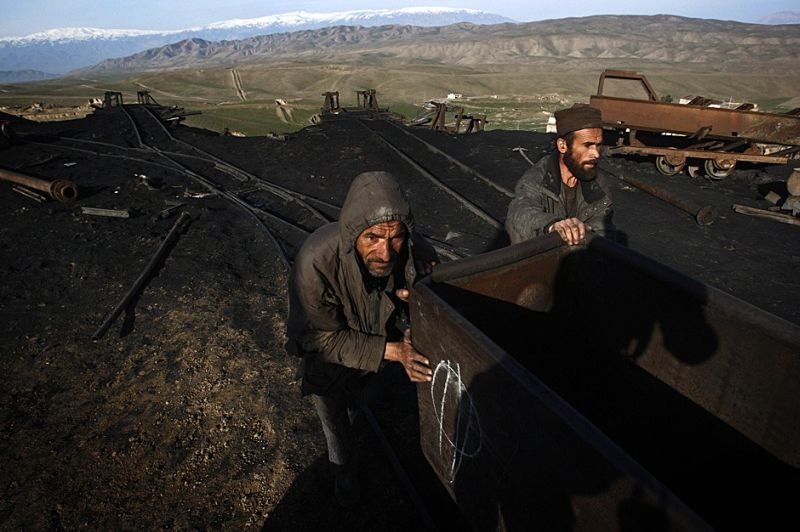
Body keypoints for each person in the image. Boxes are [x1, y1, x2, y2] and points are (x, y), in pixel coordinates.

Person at [285, 170, 437, 507]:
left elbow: (419, 267)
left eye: (395, 238)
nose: (385, 252)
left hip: (371, 351)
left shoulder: (408, 248)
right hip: (328, 360)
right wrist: (395, 351)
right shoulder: (315, 264)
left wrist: (414, 302)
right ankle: (343, 473)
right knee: (335, 421)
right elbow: (323, 340)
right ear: (354, 231)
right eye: (372, 238)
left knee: (360, 404)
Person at [506, 104, 614, 245]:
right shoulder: (537, 178)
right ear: (562, 146)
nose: (596, 153)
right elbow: (520, 214)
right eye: (588, 145)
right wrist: (554, 225)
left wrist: (585, 230)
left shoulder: (598, 182)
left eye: (598, 145)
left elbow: (605, 227)